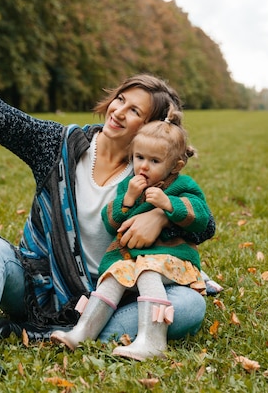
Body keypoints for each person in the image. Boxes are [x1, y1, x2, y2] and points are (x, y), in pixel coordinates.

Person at [0, 7, 218, 379]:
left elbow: (204, 224)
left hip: (110, 296)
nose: (119, 111)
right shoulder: (59, 145)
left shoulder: (153, 173)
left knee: (188, 304)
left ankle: (65, 332)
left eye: (134, 110)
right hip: (40, 286)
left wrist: (159, 213)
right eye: (121, 99)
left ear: (150, 128)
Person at [50, 107, 215, 360]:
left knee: (149, 271)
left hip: (174, 261)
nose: (144, 167)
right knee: (113, 275)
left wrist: (169, 206)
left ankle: (152, 340)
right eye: (139, 158)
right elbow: (110, 223)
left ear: (175, 165)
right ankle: (82, 331)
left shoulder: (183, 185)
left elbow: (201, 217)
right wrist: (127, 200)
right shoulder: (130, 186)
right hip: (131, 261)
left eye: (155, 161)